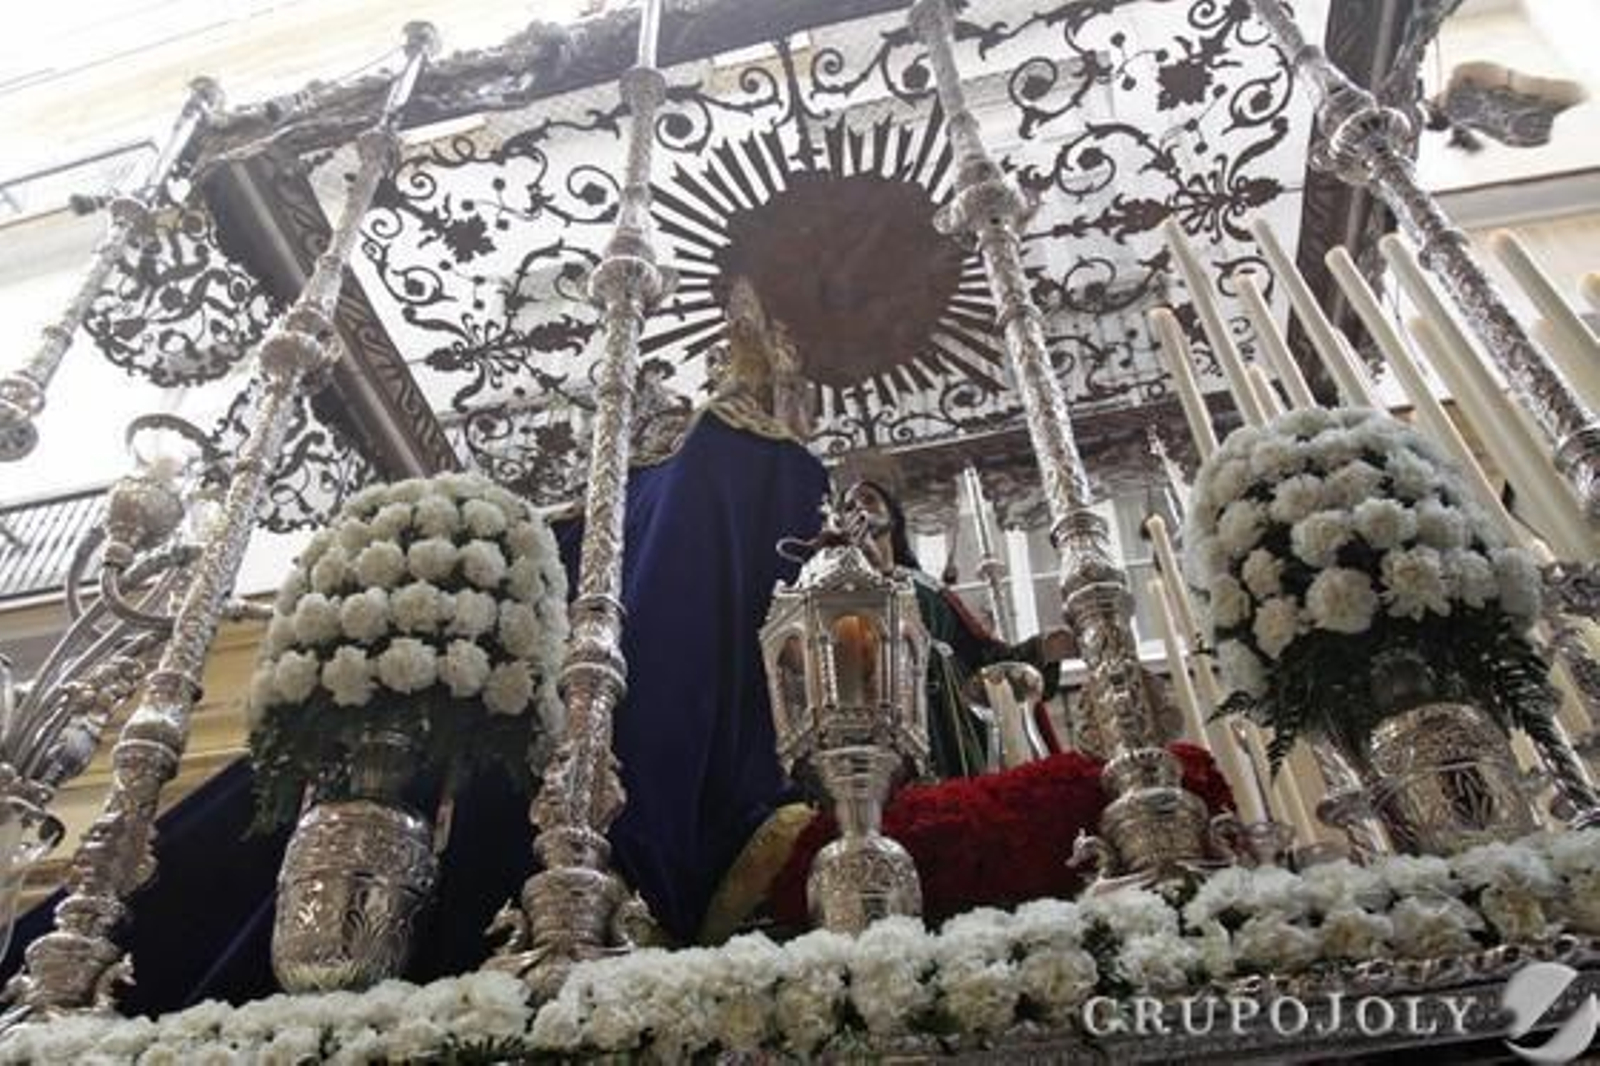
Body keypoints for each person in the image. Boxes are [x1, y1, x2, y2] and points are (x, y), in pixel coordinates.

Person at [840, 479, 1077, 778]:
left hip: (951, 725)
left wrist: (1041, 649)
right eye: (848, 507)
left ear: (894, 516)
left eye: (868, 499)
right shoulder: (841, 591)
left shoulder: (929, 588)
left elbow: (984, 661)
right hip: (889, 724)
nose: (858, 508)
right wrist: (867, 571)